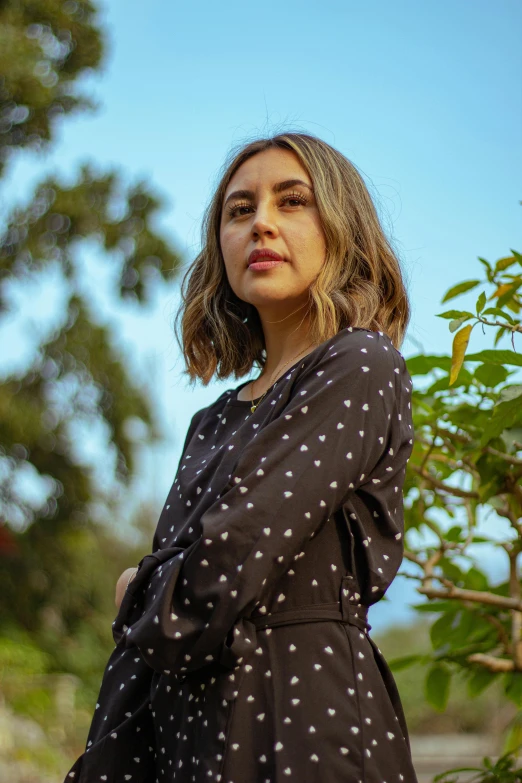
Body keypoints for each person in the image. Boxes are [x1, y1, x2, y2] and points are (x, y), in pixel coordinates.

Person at [64, 131, 418, 782]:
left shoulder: (358, 364)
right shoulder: (213, 419)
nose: (261, 223)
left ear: (342, 228)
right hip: (185, 735)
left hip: (301, 724)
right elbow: (170, 618)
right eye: (239, 209)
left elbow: (223, 564)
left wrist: (133, 587)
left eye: (291, 202)